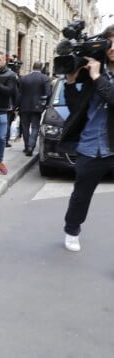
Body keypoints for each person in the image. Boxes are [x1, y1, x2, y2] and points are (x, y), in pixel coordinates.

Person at [59, 25, 114, 252]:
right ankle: (72, 230)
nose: (113, 48)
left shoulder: (96, 74)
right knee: (81, 196)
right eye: (110, 42)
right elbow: (75, 107)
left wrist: (97, 77)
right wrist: (71, 81)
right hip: (90, 147)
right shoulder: (92, 70)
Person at [16, 61, 52, 156]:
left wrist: (16, 105)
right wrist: (45, 105)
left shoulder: (24, 78)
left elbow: (19, 94)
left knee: (25, 127)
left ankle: (27, 146)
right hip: (37, 107)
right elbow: (48, 94)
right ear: (42, 68)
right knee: (35, 127)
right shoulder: (45, 78)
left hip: (24, 106)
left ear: (33, 67)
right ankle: (31, 146)